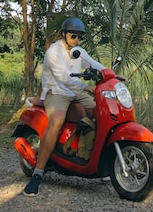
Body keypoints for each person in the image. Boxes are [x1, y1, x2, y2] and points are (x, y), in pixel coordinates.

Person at [23, 17, 105, 197]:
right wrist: (86, 87)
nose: (76, 40)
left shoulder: (79, 51)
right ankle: (38, 173)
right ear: (64, 34)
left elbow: (95, 65)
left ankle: (95, 159)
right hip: (57, 91)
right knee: (57, 121)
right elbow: (63, 77)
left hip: (76, 91)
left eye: (79, 37)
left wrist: (112, 75)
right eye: (73, 36)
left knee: (102, 113)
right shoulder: (53, 52)